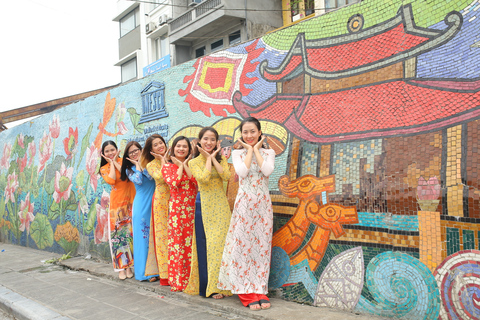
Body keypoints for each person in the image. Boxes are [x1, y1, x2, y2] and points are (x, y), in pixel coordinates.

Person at [217, 117, 275, 311]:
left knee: (262, 248)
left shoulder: (269, 152)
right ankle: (244, 290)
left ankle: (259, 288)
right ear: (241, 134)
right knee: (243, 247)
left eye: (252, 132)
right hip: (244, 206)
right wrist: (249, 150)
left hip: (263, 206)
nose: (249, 135)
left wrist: (256, 150)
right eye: (245, 132)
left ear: (259, 133)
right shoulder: (237, 153)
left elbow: (266, 171)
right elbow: (242, 173)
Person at [184, 127, 232, 299]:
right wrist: (207, 160)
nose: (209, 142)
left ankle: (224, 285)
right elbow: (203, 179)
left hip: (222, 206)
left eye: (212, 139)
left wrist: (213, 158)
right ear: (199, 142)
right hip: (205, 206)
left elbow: (226, 176)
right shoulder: (193, 162)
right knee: (211, 246)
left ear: (217, 142)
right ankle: (212, 287)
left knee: (223, 246)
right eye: (205, 139)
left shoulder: (223, 159)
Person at [162, 136, 197, 291]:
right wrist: (180, 166)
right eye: (178, 146)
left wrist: (185, 165)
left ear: (189, 150)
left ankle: (191, 279)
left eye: (185, 147)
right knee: (178, 244)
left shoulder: (193, 165)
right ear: (173, 148)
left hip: (192, 208)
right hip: (177, 210)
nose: (181, 149)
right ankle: (178, 281)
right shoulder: (167, 167)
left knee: (191, 244)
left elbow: (196, 181)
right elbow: (174, 183)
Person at [120, 141, 157, 282]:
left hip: (154, 203)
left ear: (142, 150)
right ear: (127, 156)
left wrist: (142, 165)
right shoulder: (129, 170)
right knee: (143, 239)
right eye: (131, 152)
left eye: (137, 150)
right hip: (141, 206)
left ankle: (156, 270)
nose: (135, 153)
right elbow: (139, 180)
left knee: (153, 237)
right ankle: (144, 273)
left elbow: (151, 177)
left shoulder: (149, 164)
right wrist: (137, 166)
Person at [99, 140, 136, 280]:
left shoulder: (125, 161)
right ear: (103, 154)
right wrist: (112, 163)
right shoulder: (104, 168)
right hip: (117, 206)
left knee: (131, 235)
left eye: (112, 150)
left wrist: (115, 162)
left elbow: (125, 175)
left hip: (131, 201)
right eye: (107, 151)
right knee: (119, 238)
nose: (110, 153)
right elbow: (112, 180)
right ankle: (121, 268)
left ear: (117, 150)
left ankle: (130, 266)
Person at [144, 134, 170, 286]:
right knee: (162, 237)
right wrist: (163, 161)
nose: (160, 146)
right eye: (156, 145)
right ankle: (165, 274)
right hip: (161, 201)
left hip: (176, 199)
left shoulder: (173, 158)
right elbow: (162, 177)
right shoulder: (151, 165)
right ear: (151, 149)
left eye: (161, 143)